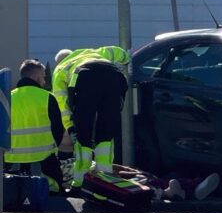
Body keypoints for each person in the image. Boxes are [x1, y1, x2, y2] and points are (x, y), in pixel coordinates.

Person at [53, 46, 130, 188]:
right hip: (114, 76)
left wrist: (70, 127)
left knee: (83, 132)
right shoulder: (96, 52)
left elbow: (61, 104)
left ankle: (80, 181)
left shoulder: (60, 69)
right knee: (106, 131)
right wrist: (126, 59)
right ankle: (105, 177)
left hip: (85, 77)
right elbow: (121, 53)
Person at [4, 59, 65, 193]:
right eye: (43, 77)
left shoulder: (8, 98)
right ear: (36, 77)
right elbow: (58, 130)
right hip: (45, 165)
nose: (44, 81)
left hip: (12, 164)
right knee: (56, 191)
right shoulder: (48, 97)